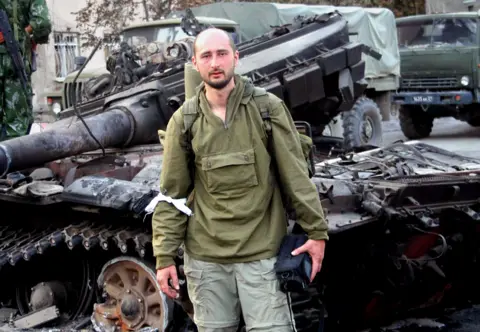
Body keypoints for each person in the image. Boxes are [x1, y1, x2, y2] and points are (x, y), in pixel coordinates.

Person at [152, 27, 329, 332]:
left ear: (236, 57)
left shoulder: (266, 109)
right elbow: (172, 195)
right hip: (207, 261)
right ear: (195, 63)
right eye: (206, 55)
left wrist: (317, 232)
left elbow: (296, 177)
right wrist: (164, 256)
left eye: (222, 53)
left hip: (261, 256)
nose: (215, 62)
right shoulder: (185, 120)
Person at [0, 0, 51, 140]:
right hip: (15, 62)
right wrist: (26, 35)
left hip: (14, 60)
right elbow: (43, 23)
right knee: (18, 124)